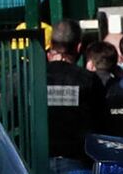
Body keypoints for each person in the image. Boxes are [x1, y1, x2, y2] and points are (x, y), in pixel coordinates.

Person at [44, 20, 109, 166]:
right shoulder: (89, 80)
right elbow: (101, 122)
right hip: (77, 164)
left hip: (38, 164)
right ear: (79, 47)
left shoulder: (33, 78)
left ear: (51, 45)